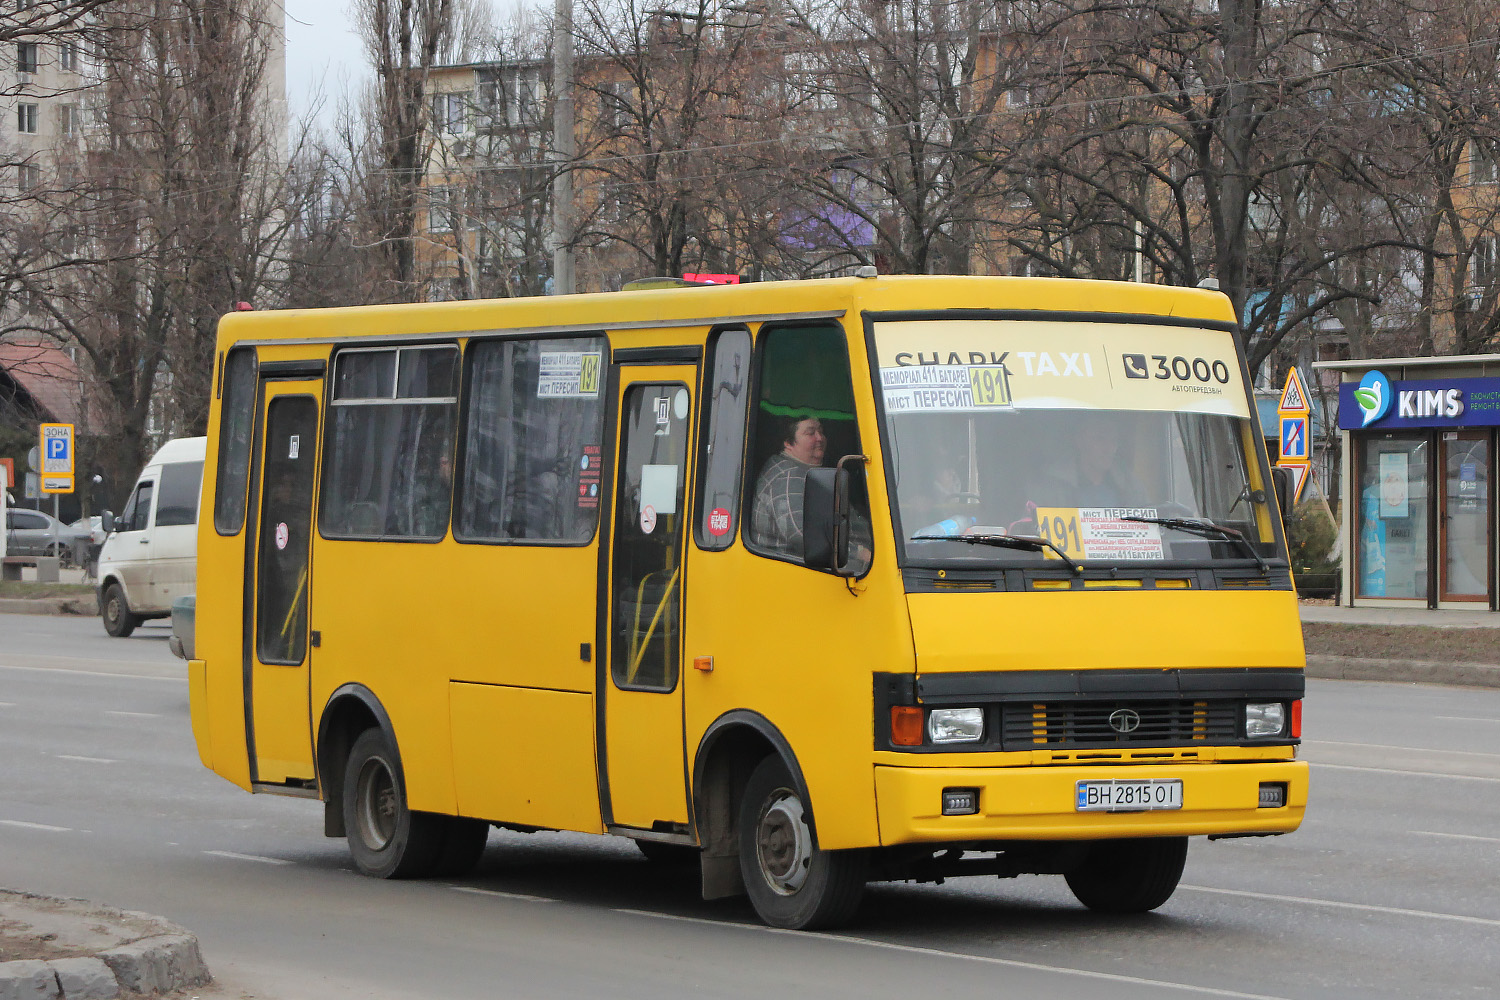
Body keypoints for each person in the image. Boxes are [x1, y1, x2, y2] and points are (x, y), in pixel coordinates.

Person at [751, 414, 826, 558]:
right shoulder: (789, 476)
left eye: (821, 432)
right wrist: (855, 551)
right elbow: (799, 533)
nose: (820, 438)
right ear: (788, 443)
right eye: (810, 433)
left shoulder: (795, 469)